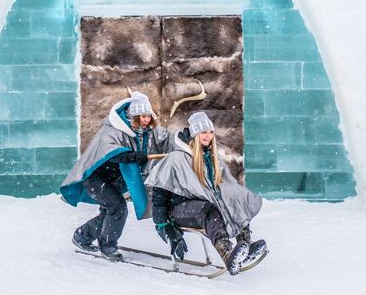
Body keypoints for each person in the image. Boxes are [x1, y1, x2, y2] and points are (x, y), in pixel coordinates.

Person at [145, 112, 266, 275]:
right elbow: (159, 196)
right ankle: (228, 254)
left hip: (201, 205)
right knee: (209, 209)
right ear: (195, 134)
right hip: (178, 210)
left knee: (238, 198)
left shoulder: (212, 157)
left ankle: (245, 245)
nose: (208, 136)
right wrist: (165, 228)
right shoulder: (177, 158)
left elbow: (225, 188)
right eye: (203, 132)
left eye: (210, 132)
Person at [60, 91, 174, 261]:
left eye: (148, 116)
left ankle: (82, 236)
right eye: (142, 116)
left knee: (110, 211)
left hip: (114, 179)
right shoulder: (112, 129)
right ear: (133, 115)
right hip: (95, 177)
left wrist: (186, 139)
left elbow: (166, 138)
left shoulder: (146, 132)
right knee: (118, 207)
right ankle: (107, 246)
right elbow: (110, 152)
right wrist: (133, 156)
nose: (145, 120)